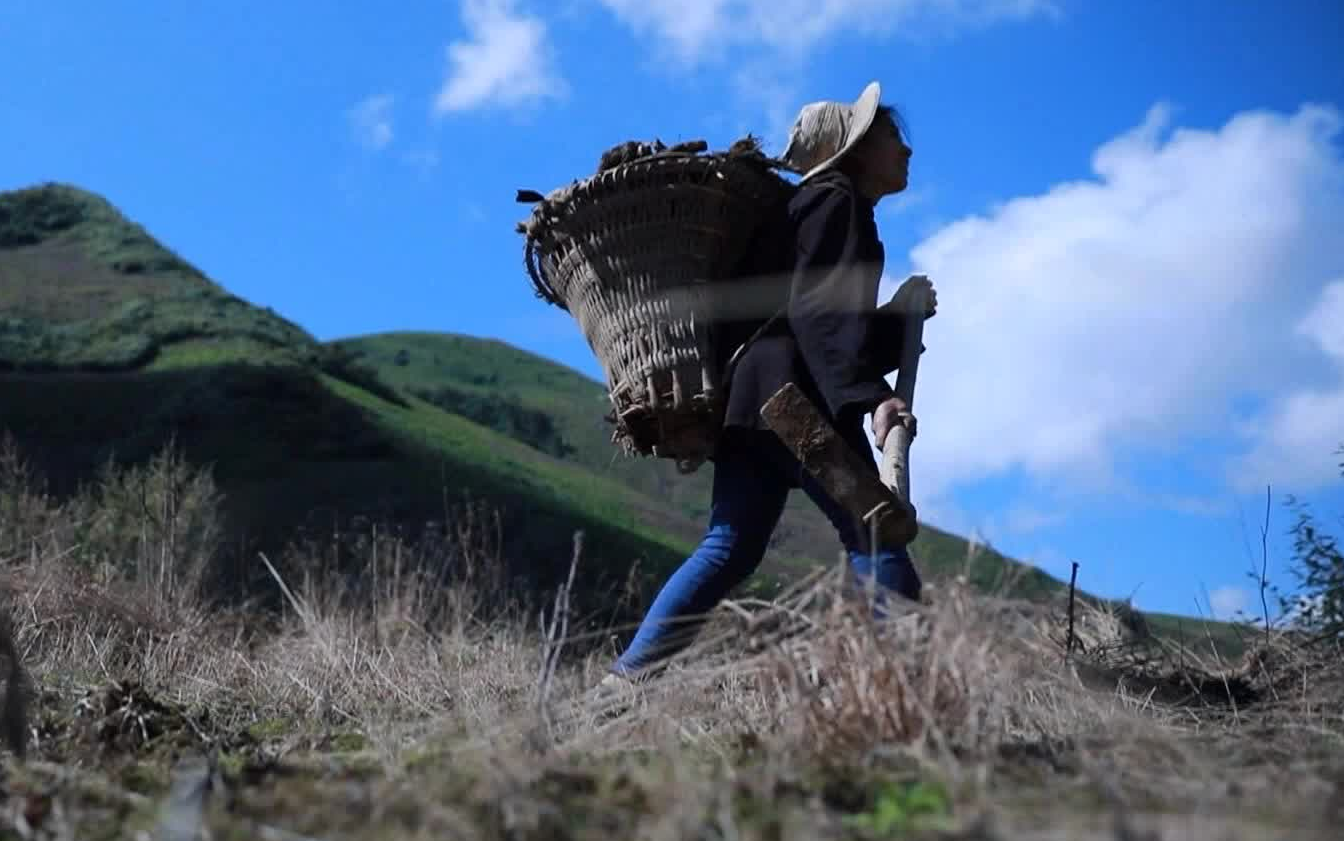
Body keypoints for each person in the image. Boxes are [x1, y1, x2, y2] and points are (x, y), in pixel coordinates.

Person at [604, 81, 938, 684]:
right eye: (892, 137)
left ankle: (624, 681)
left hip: (752, 404)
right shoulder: (837, 203)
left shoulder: (809, 209)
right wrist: (872, 398)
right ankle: (915, 690)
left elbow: (817, 320)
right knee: (876, 536)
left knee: (729, 547)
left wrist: (899, 320)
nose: (906, 150)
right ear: (855, 150)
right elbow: (820, 317)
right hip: (796, 406)